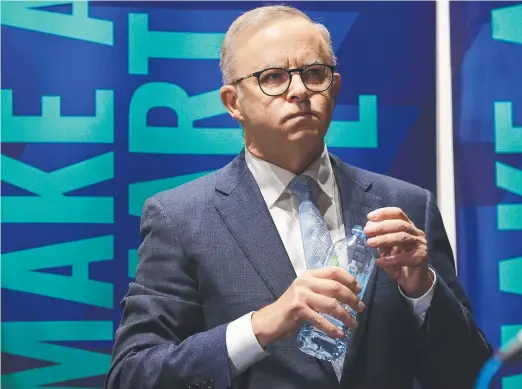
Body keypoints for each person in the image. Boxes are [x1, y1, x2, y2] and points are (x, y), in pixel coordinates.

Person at [106, 5, 492, 389]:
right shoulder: (182, 218)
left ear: (334, 87)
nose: (299, 91)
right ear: (232, 102)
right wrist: (260, 327)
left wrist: (422, 290)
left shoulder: (406, 206)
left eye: (314, 73)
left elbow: (473, 375)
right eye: (272, 77)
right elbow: (132, 374)